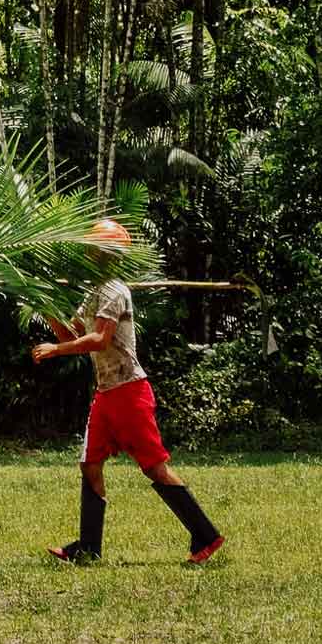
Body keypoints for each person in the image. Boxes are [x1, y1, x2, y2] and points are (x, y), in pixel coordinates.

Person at [34, 219, 224, 565]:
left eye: (96, 249)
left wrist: (56, 351)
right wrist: (45, 308)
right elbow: (71, 335)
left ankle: (205, 535)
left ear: (109, 255)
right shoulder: (95, 293)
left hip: (130, 392)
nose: (91, 254)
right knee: (90, 464)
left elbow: (99, 339)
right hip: (107, 392)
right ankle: (89, 549)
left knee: (154, 467)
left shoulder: (116, 291)